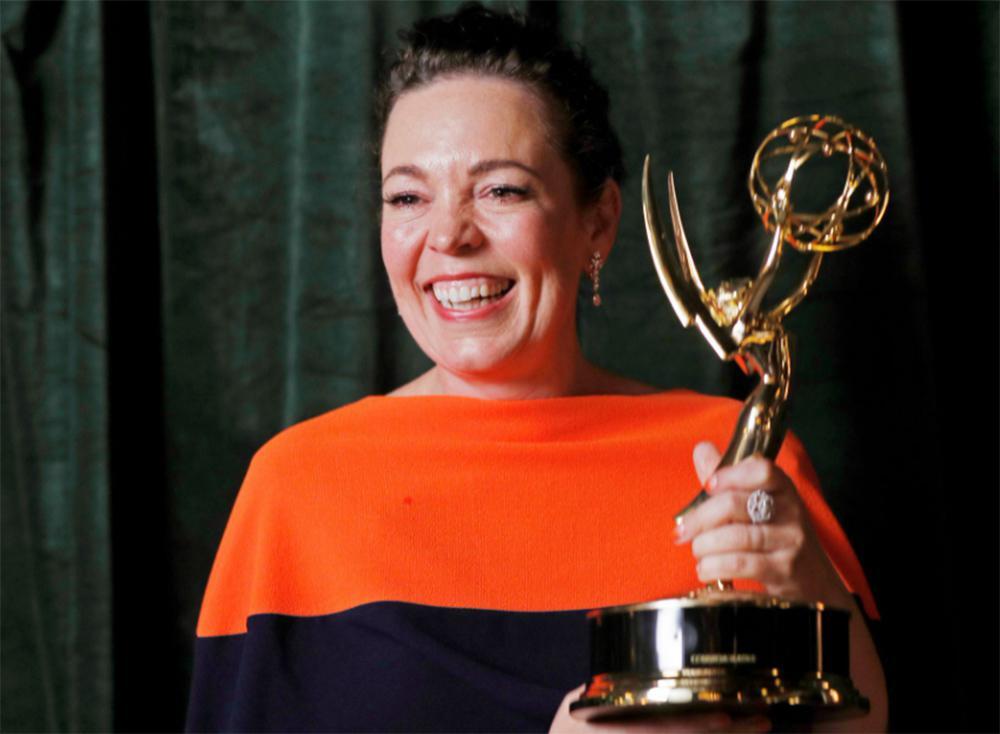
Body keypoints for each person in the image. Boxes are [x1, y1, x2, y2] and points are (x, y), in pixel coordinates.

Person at [186, 5, 886, 732]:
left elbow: (858, 725)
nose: (449, 235)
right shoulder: (296, 487)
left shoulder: (736, 457)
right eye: (407, 197)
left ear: (598, 222)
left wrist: (806, 577)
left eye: (502, 190)